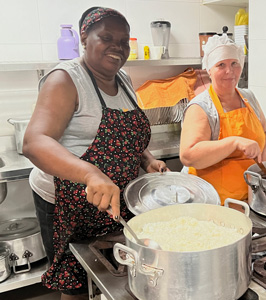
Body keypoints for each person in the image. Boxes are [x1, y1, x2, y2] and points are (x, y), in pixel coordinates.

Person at [23, 7, 168, 300]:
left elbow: (128, 135)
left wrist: (148, 160)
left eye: (124, 41)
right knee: (75, 285)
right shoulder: (65, 79)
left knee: (111, 275)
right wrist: (90, 173)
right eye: (107, 37)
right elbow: (34, 143)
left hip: (112, 197)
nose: (118, 47)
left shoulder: (123, 79)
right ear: (84, 39)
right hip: (66, 204)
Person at [179, 34, 266, 206]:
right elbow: (188, 155)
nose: (229, 71)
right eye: (221, 65)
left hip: (248, 199)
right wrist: (234, 142)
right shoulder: (201, 106)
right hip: (211, 203)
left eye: (234, 63)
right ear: (209, 69)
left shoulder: (248, 97)